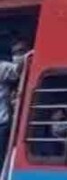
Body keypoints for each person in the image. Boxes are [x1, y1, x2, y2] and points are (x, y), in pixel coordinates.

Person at [0, 40, 29, 168]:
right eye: (15, 52)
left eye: (20, 51)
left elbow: (18, 69)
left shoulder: (1, 67)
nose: (18, 55)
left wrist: (29, 55)